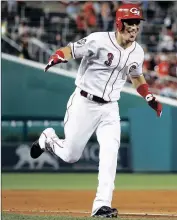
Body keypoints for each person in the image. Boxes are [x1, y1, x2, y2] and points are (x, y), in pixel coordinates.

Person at [30, 3, 162, 218]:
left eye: (137, 25)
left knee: (110, 153)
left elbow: (136, 76)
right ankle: (48, 139)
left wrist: (147, 96)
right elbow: (71, 50)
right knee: (71, 155)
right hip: (84, 103)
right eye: (131, 24)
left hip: (110, 108)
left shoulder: (137, 51)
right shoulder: (98, 40)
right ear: (119, 23)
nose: (134, 29)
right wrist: (57, 56)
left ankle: (101, 205)